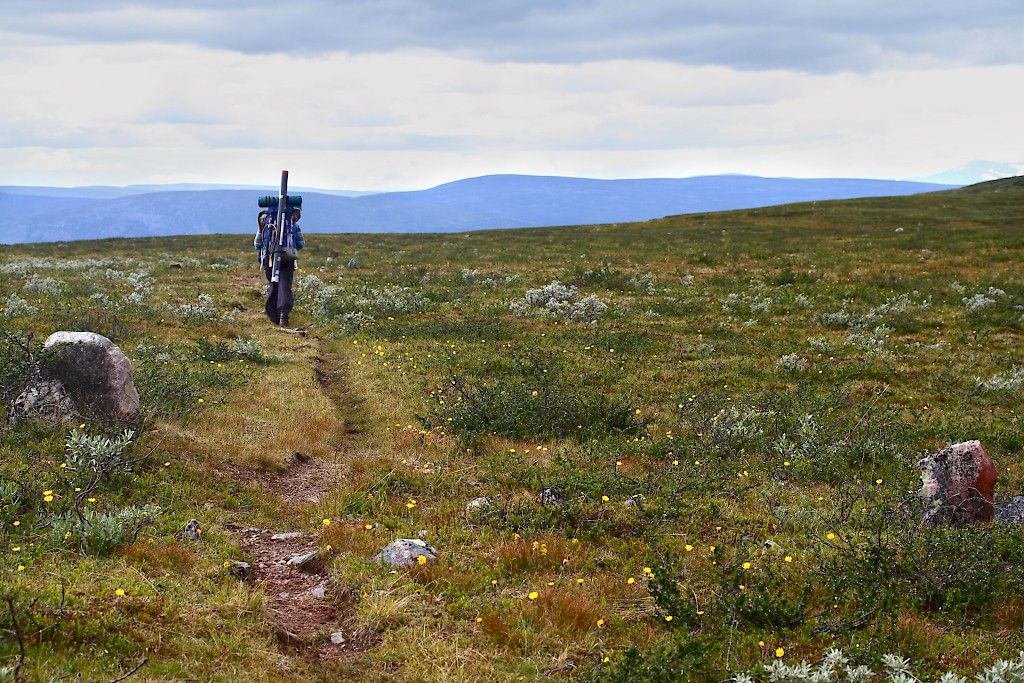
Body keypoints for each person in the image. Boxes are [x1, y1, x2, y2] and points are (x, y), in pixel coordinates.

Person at [254, 206, 304, 326]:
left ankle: (273, 315)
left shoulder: (265, 224)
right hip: (287, 259)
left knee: (274, 285)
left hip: (269, 259)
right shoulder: (293, 225)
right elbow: (301, 244)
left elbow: (257, 244)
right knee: (285, 285)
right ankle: (284, 315)